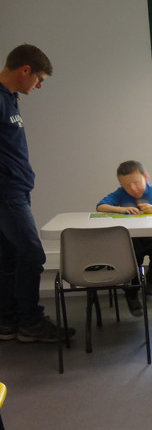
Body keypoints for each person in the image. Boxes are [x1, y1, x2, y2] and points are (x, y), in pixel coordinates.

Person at [0, 44, 68, 343]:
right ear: (25, 70)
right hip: (7, 192)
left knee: (10, 257)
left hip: (16, 189)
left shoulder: (10, 98)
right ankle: (30, 321)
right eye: (38, 78)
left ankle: (7, 321)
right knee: (31, 254)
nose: (39, 85)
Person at [96, 160, 152, 315]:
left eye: (136, 183)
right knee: (132, 260)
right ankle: (132, 294)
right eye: (126, 185)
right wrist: (121, 209)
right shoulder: (120, 194)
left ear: (145, 177)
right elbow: (101, 207)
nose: (132, 188)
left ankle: (150, 283)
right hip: (130, 239)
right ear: (121, 184)